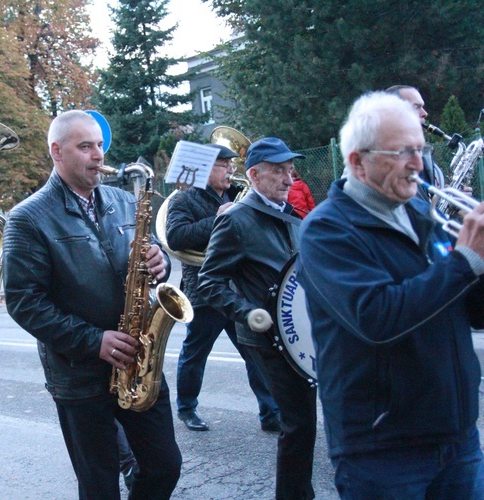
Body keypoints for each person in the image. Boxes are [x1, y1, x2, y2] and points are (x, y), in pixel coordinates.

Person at [298, 91, 484, 498]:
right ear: (357, 162)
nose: (418, 164)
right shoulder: (325, 231)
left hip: (457, 434)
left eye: (420, 149)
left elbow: (470, 311)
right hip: (382, 449)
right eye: (401, 152)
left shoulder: (422, 211)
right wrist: (466, 260)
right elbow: (377, 317)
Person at [3, 110, 182, 499]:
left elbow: (143, 263)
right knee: (99, 485)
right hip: (79, 374)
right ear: (57, 151)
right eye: (85, 147)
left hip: (138, 361)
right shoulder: (27, 218)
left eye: (99, 145)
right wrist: (93, 340)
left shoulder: (122, 200)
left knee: (165, 466)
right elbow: (23, 301)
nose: (98, 155)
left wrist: (159, 262)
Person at [197, 137, 317, 499]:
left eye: (290, 170)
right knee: (298, 424)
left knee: (305, 422)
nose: (288, 178)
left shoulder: (291, 215)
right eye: (279, 171)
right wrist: (248, 313)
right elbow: (209, 282)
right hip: (266, 338)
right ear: (254, 174)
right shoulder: (236, 219)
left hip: (300, 334)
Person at [166, 143, 280, 433]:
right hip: (204, 288)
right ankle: (187, 408)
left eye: (231, 164)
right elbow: (177, 237)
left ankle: (270, 412)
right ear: (205, 169)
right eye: (223, 164)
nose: (231, 169)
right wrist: (219, 217)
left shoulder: (238, 196)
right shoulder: (184, 200)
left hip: (237, 287)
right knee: (196, 351)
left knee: (253, 352)